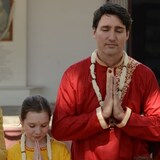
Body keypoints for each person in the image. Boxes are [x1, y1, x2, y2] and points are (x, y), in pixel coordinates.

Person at [51, 2, 160, 160]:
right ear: (94, 32)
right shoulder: (74, 75)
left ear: (127, 34)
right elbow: (60, 129)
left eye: (119, 30)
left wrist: (124, 117)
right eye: (105, 29)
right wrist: (100, 116)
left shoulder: (143, 75)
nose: (112, 37)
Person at [7, 95, 71, 160]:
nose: (38, 132)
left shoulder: (61, 150)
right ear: (22, 121)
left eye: (44, 125)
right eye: (32, 126)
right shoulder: (13, 152)